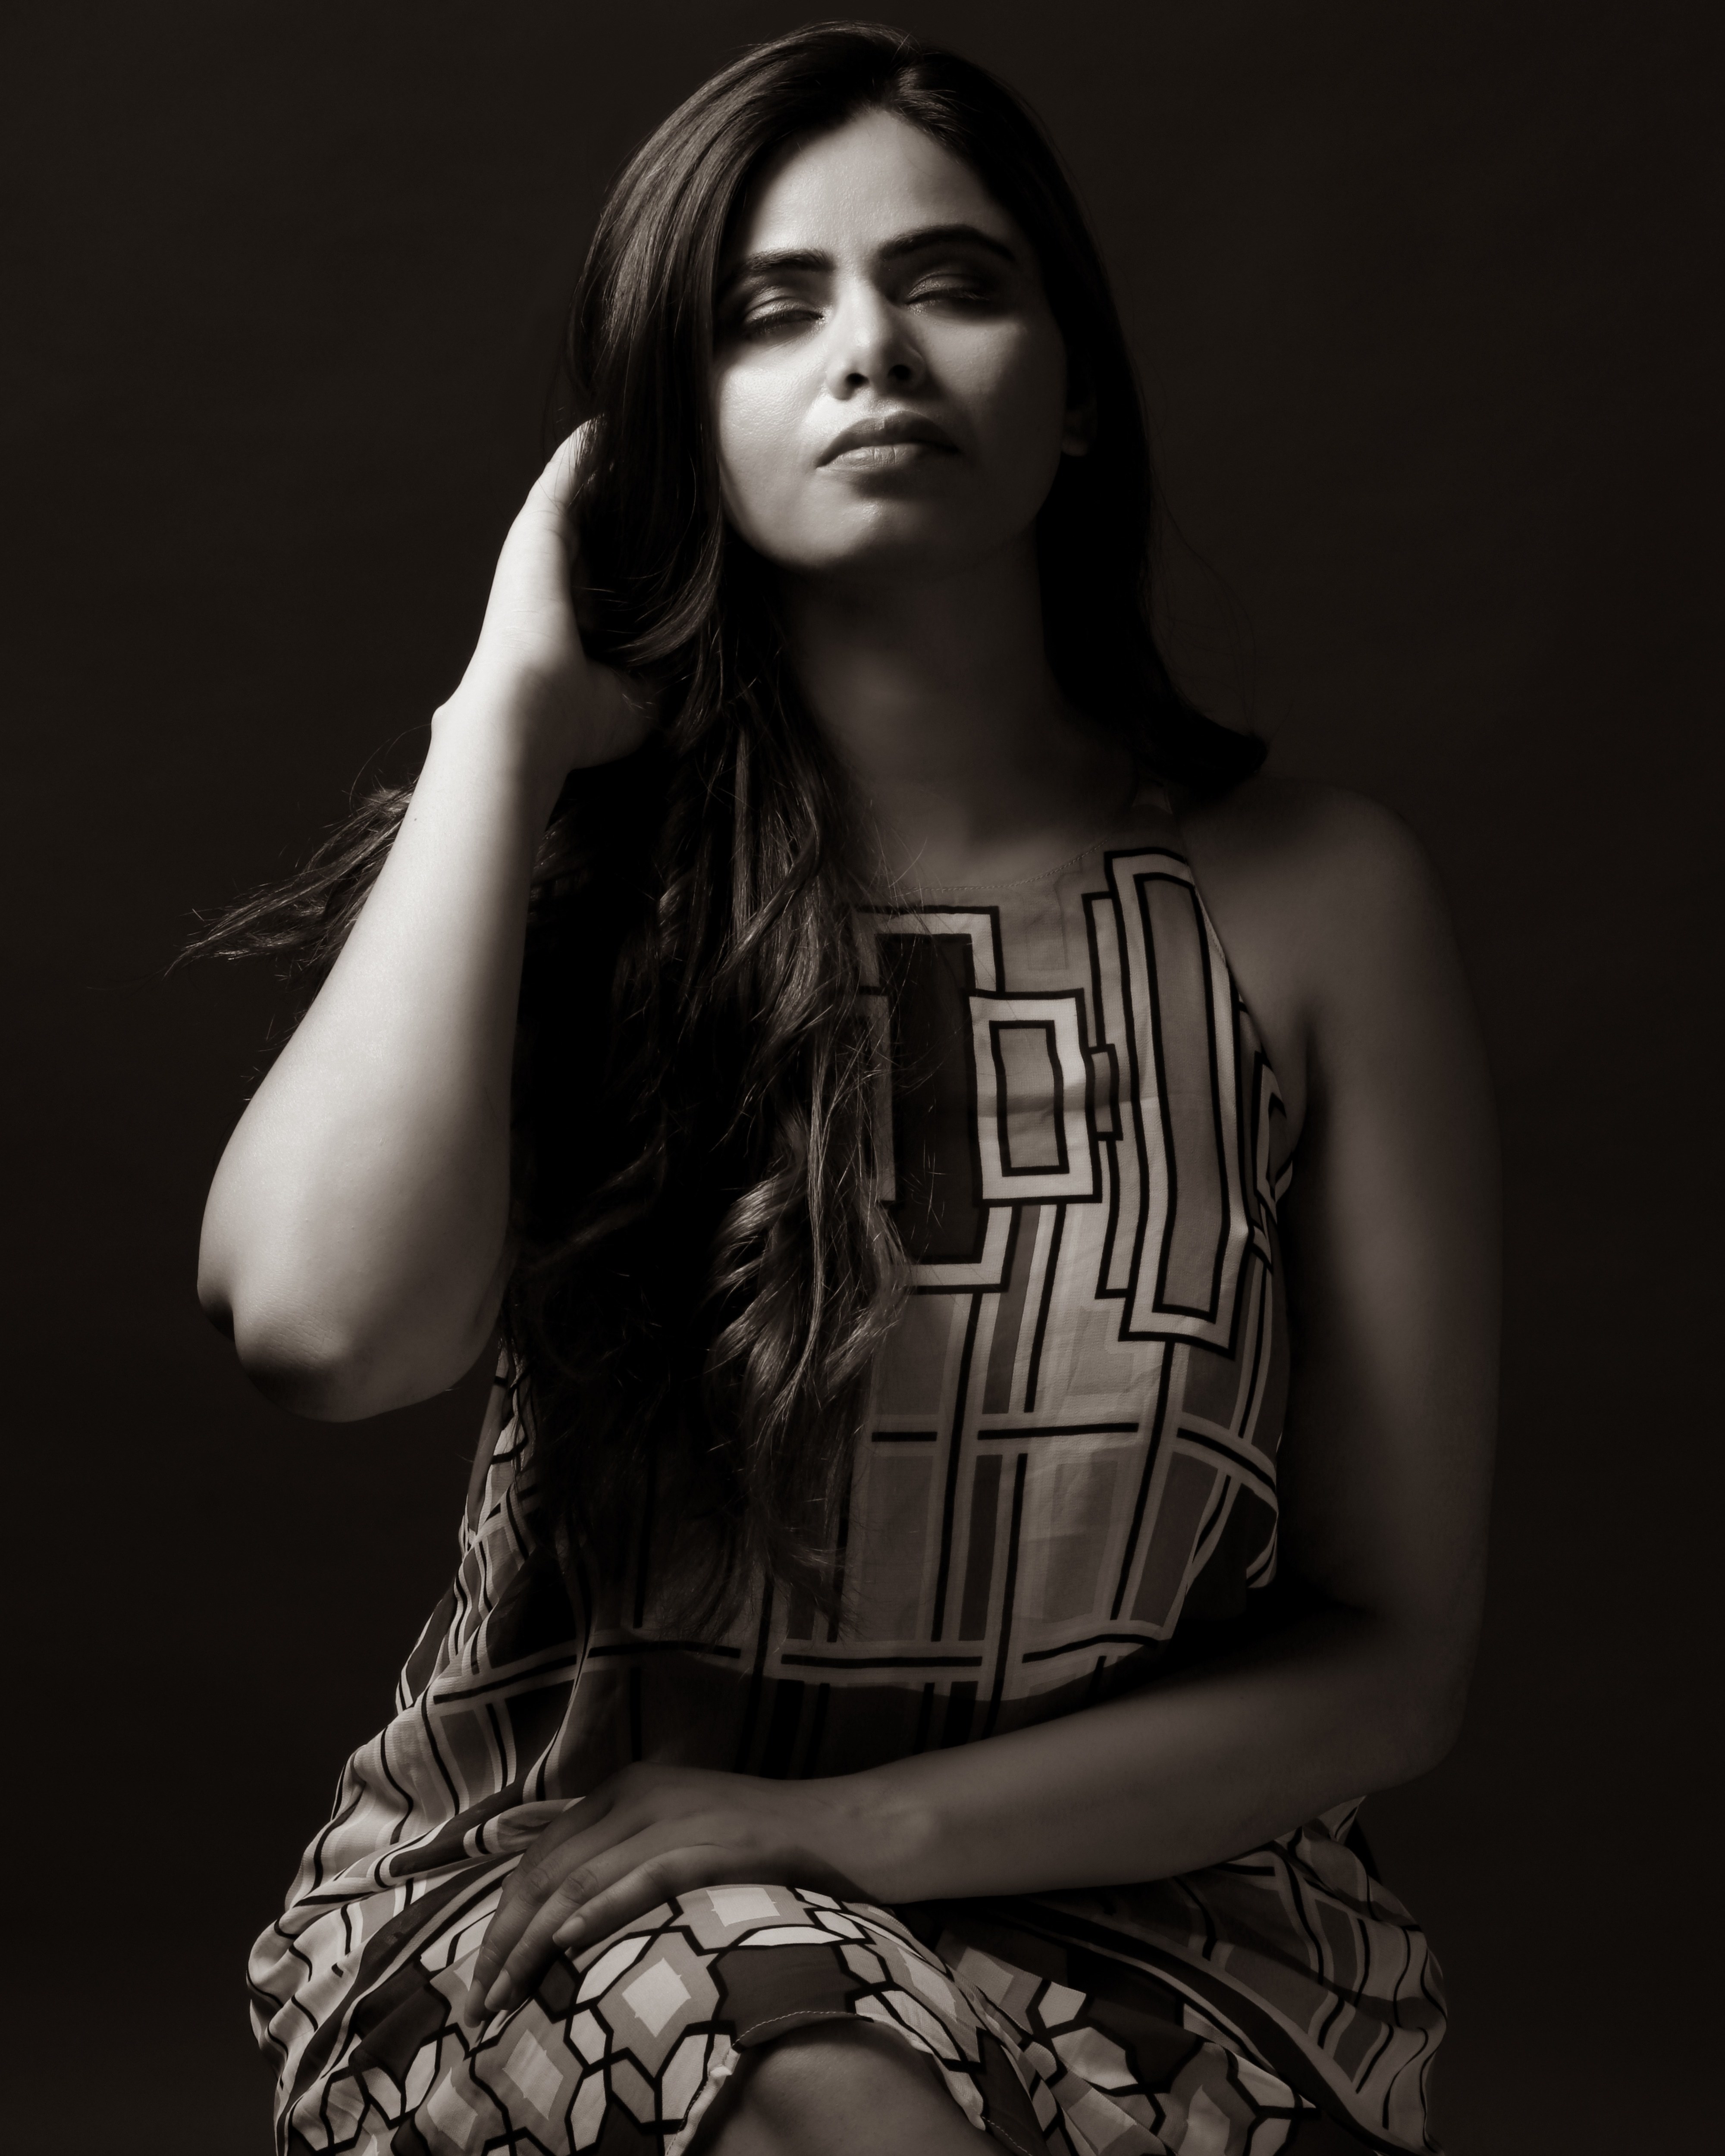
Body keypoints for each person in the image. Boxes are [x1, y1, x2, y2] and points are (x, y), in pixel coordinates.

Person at [201, 23, 1496, 2156]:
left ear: (1074, 392)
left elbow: (1389, 1660)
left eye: (952, 282)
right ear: (674, 426)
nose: (872, 350)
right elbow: (324, 1331)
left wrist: (854, 1822)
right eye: (770, 311)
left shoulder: (1317, 902)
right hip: (586, 1890)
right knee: (810, 2058)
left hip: (1162, 1922)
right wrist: (502, 720)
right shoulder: (556, 882)